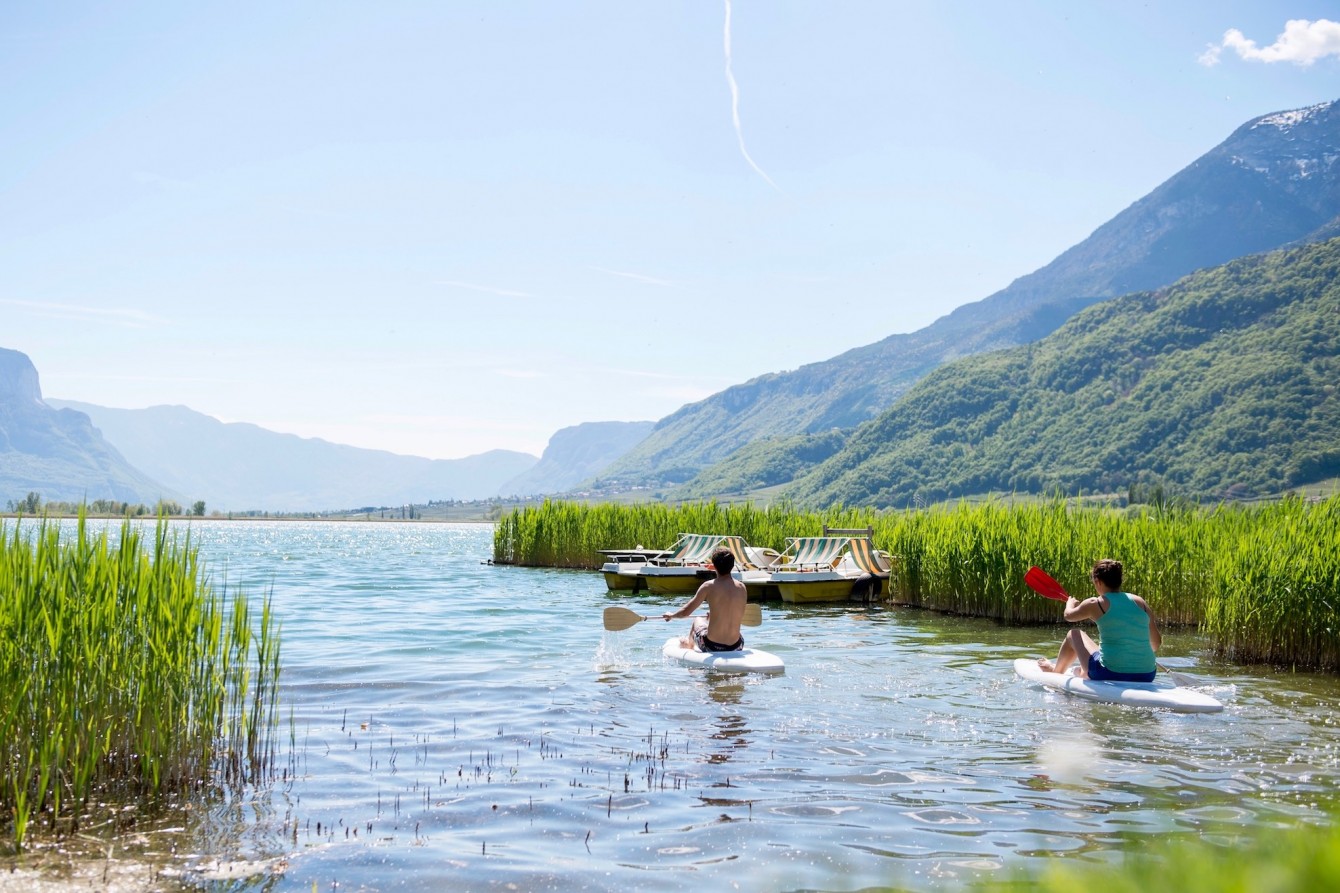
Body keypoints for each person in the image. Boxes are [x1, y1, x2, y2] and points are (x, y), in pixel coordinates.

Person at [1038, 558, 1161, 681]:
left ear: (1098, 581)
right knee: (1099, 651)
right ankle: (1081, 672)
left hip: (1110, 673)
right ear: (1119, 580)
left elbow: (1068, 616)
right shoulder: (1140, 602)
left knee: (1073, 634)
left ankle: (1056, 671)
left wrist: (1070, 604)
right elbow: (1156, 644)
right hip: (1147, 674)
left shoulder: (1095, 603)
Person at [663, 547, 747, 652]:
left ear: (714, 566)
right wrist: (714, 617)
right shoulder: (742, 587)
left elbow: (685, 612)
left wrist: (672, 616)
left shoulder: (708, 586)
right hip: (737, 645)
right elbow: (733, 613)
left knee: (697, 620)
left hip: (712, 646)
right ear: (732, 565)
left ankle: (689, 645)